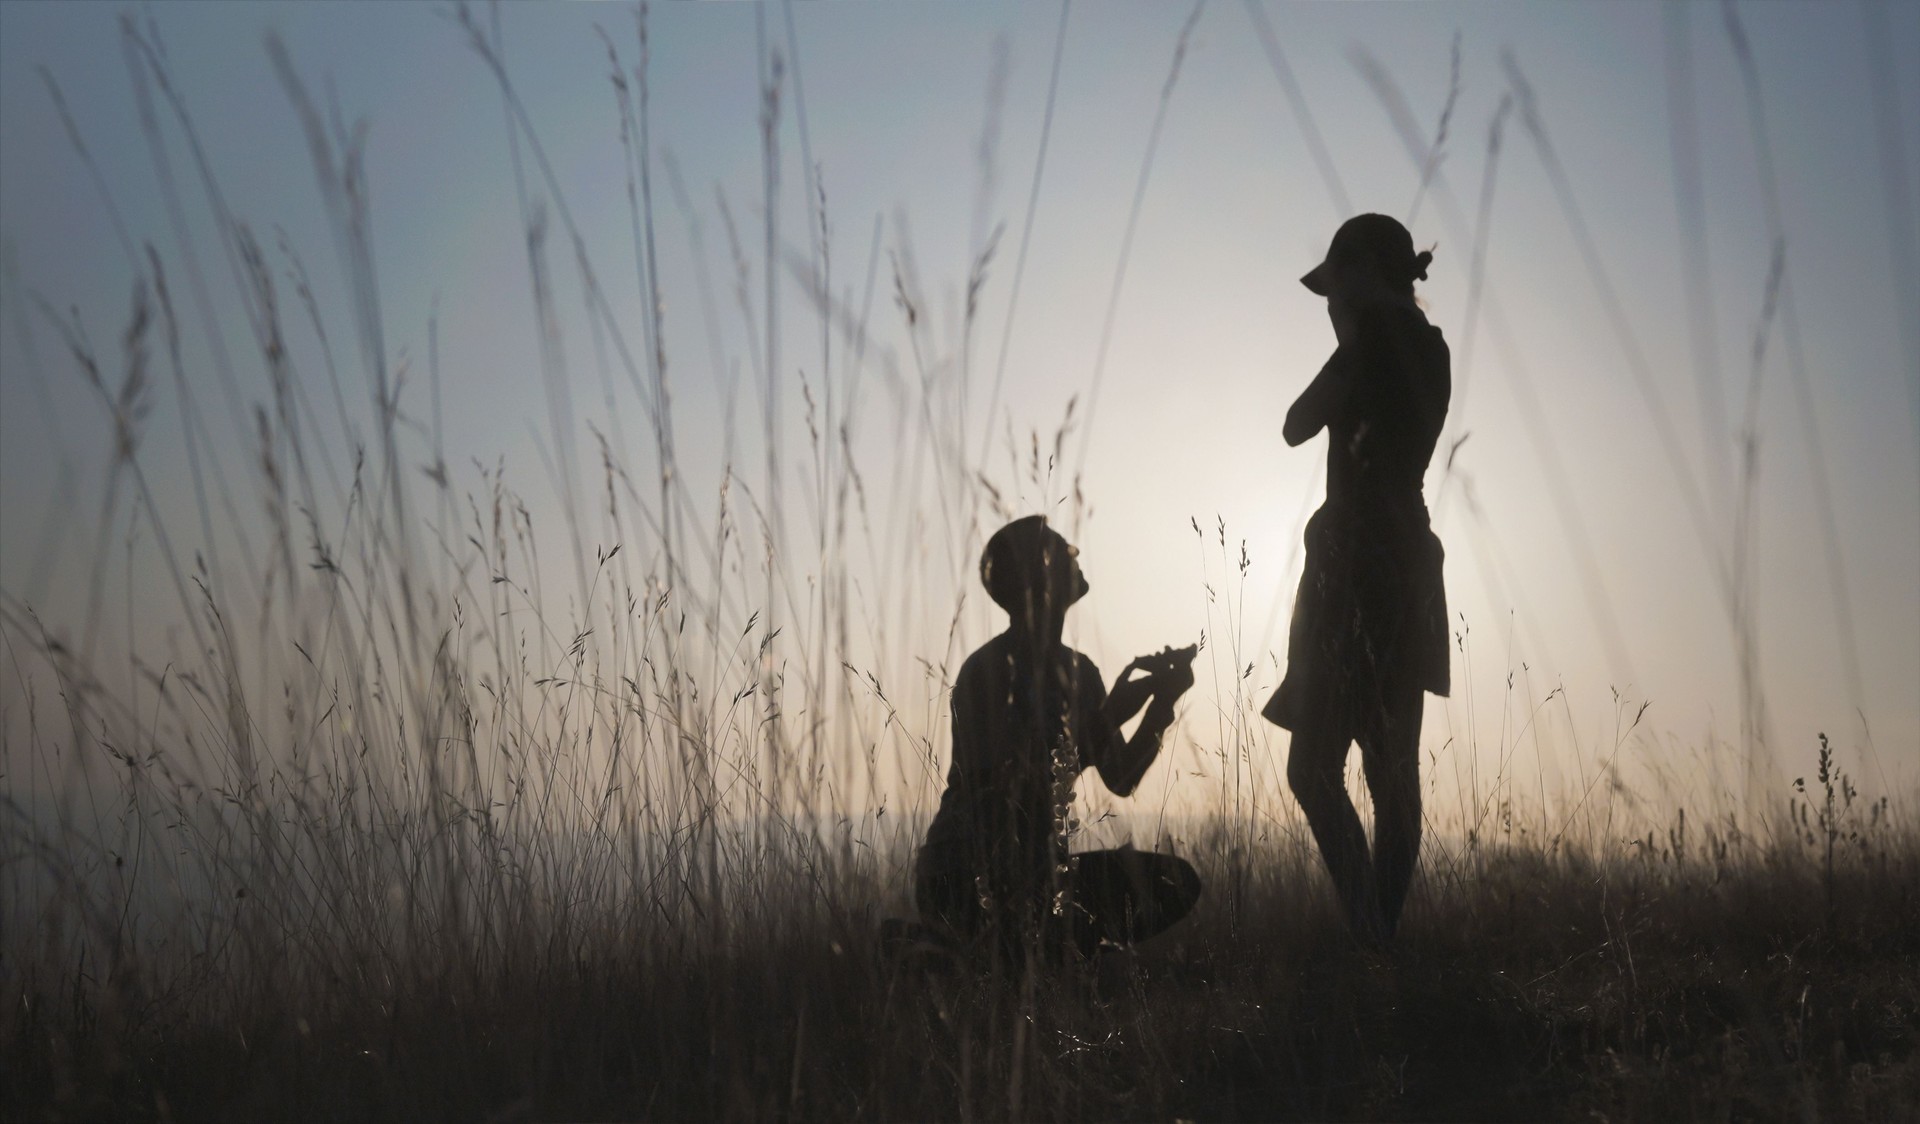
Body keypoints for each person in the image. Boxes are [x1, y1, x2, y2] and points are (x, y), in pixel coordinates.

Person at [1263, 213, 1452, 945]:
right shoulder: (1432, 347)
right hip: (1410, 553)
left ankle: (1372, 938)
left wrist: (1349, 345)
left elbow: (1295, 424)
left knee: (1313, 770)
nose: (1331, 306)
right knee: (1391, 770)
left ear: (1366, 276)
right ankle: (1380, 946)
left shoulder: (1370, 334)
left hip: (1353, 563)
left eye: (1336, 289)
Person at [911, 515, 1202, 968]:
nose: (1078, 554)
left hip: (1037, 874)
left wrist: (1161, 703)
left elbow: (1121, 777)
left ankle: (1025, 959)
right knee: (1035, 949)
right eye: (1065, 550)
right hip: (966, 876)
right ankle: (980, 956)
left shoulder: (1082, 671)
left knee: (1173, 882)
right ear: (1038, 575)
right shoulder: (986, 671)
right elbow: (1007, 792)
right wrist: (1109, 717)